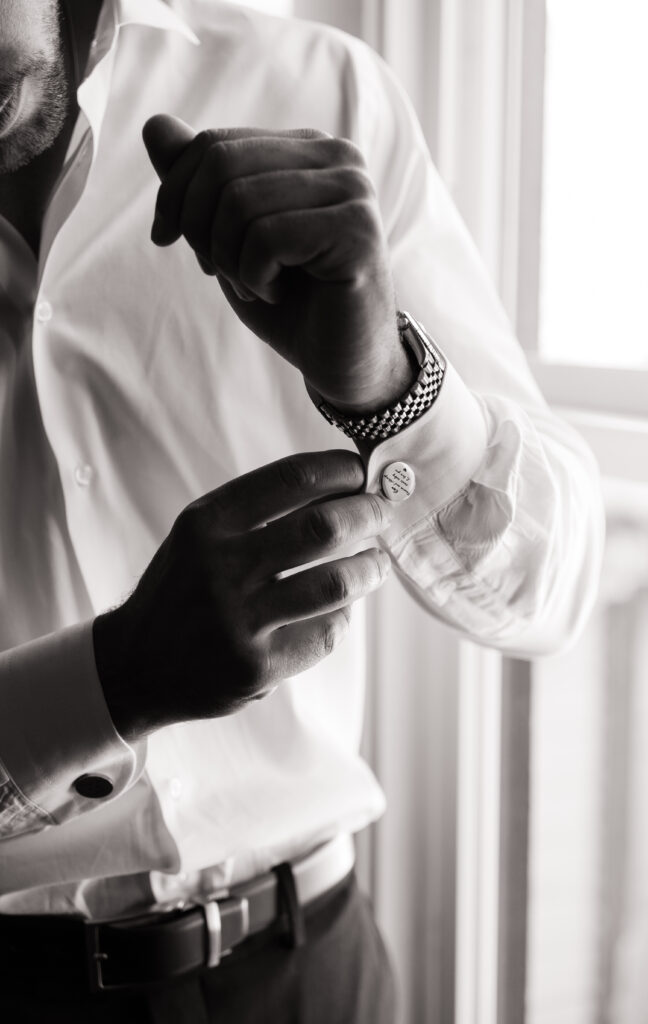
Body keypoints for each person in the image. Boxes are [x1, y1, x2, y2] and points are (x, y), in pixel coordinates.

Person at [0, 0, 603, 1020]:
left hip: (314, 973)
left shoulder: (320, 91)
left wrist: (390, 387)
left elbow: (550, 583)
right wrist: (113, 680)